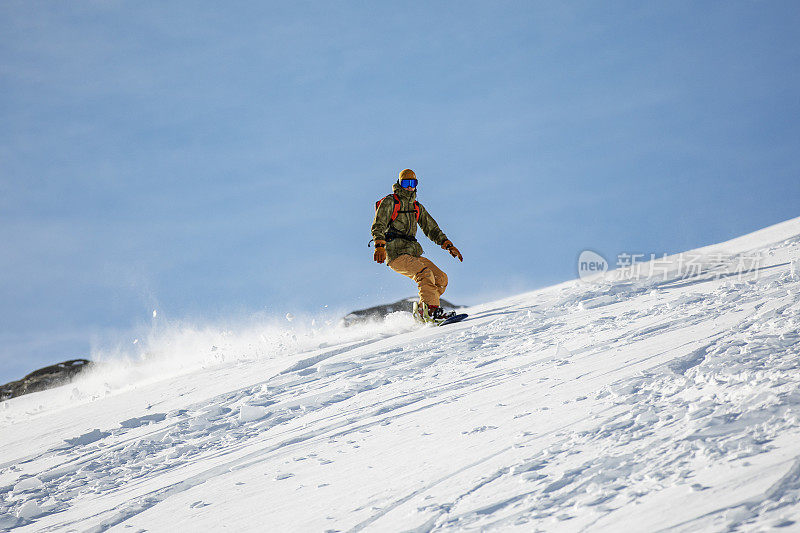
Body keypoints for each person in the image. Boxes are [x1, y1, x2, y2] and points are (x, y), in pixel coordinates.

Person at [371, 169, 463, 322]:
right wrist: (379, 245)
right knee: (425, 274)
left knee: (441, 278)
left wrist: (447, 244)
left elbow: (431, 228)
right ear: (400, 184)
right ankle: (432, 313)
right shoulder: (390, 202)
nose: (409, 187)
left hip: (412, 253)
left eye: (412, 183)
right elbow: (378, 224)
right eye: (405, 183)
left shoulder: (416, 207)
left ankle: (423, 310)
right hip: (395, 254)